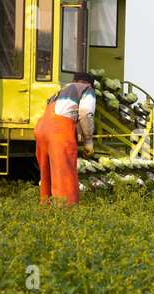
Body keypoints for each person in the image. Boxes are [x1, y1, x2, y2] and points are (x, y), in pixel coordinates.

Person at [34, 72, 96, 205]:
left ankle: (46, 210)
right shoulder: (86, 89)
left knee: (47, 176)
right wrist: (88, 142)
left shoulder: (61, 91)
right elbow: (85, 113)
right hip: (58, 132)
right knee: (64, 176)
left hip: (41, 130)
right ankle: (65, 213)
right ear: (90, 84)